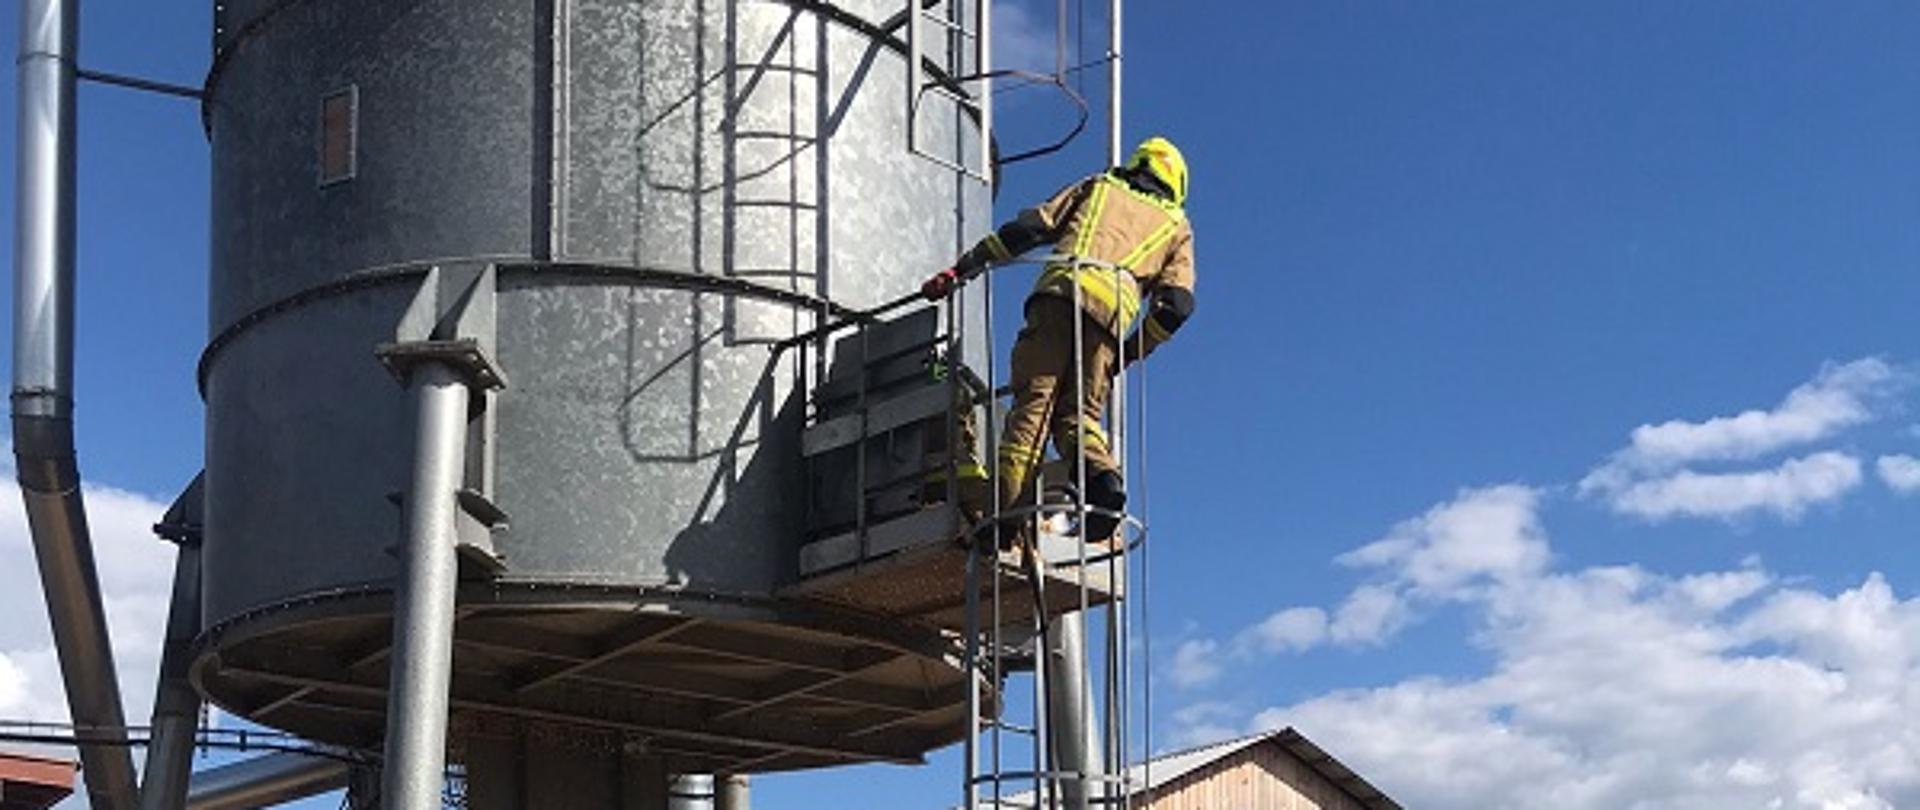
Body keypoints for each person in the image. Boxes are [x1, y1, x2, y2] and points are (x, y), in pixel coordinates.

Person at [922, 136, 1196, 543]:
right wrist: (1129, 352)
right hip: (1109, 319)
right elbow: (1177, 305)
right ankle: (1103, 480)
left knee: (1033, 409)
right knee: (1077, 417)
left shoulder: (1099, 186)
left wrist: (962, 269)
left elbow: (1031, 229)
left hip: (1058, 295)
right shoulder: (1176, 226)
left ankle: (1003, 522)